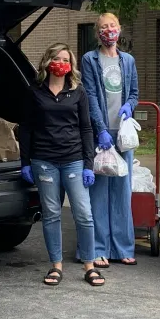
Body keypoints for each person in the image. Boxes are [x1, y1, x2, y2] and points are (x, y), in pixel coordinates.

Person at [19, 43, 103, 287]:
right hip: (44, 161)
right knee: (52, 214)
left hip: (74, 159)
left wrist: (89, 163)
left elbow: (86, 128)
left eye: (65, 59)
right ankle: (56, 265)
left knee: (84, 214)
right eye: (56, 58)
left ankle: (90, 265)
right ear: (47, 61)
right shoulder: (34, 91)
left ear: (71, 65)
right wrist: (26, 162)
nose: (60, 62)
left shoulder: (78, 91)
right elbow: (26, 127)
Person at [81, 13, 139, 268]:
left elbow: (135, 93)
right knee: (100, 192)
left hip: (123, 135)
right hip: (101, 134)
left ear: (119, 29)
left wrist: (129, 105)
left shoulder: (128, 61)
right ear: (98, 33)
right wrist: (101, 129)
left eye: (112, 25)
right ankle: (98, 248)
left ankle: (123, 247)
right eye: (104, 27)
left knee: (122, 191)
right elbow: (90, 96)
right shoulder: (90, 60)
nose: (108, 30)